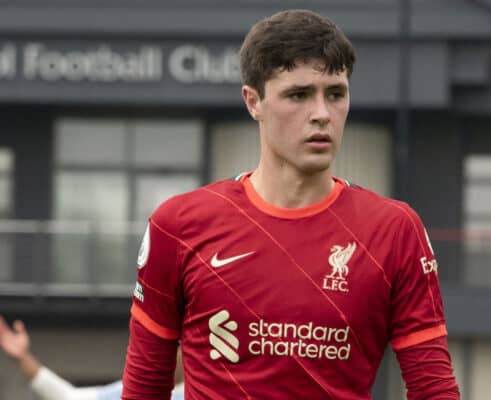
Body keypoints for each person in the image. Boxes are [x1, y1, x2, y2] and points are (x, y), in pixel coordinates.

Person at [122, 8, 460, 400]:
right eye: (298, 95)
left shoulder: (394, 229)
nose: (321, 114)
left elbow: (433, 389)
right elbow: (144, 389)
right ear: (254, 102)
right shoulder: (178, 224)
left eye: (335, 94)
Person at [0, 315, 184, 400]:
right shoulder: (132, 392)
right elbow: (69, 397)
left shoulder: (204, 392)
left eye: (173, 347)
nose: (161, 353)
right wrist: (23, 358)